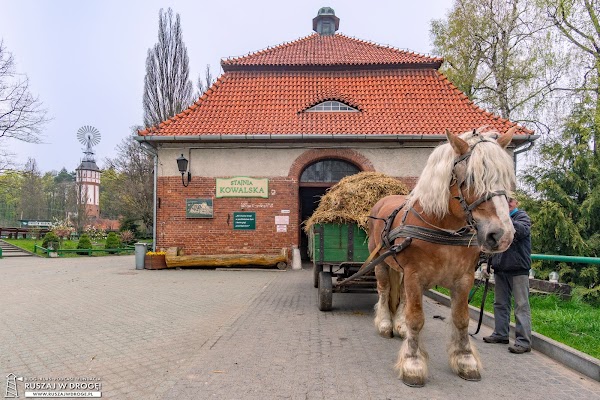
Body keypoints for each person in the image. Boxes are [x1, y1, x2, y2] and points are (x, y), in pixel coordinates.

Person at [483, 197, 532, 354]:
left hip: (518, 269)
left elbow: (521, 231)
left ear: (516, 202)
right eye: (505, 201)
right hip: (500, 268)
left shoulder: (522, 217)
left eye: (511, 201)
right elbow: (491, 243)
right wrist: (487, 264)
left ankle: (523, 342)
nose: (508, 203)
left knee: (521, 305)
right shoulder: (498, 220)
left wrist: (503, 218)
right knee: (500, 304)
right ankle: (500, 334)